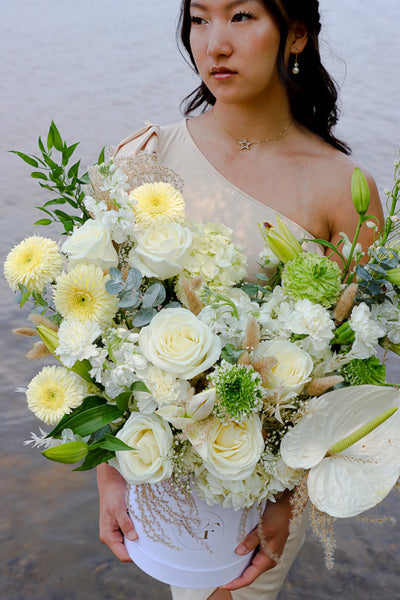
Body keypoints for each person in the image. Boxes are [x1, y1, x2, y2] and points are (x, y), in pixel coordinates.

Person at [97, 1, 384, 599]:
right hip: (157, 473)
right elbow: (100, 328)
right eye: (199, 19)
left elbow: (354, 366)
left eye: (242, 16)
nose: (214, 44)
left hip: (264, 496)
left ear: (296, 34)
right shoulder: (146, 158)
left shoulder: (341, 187)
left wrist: (289, 499)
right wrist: (108, 473)